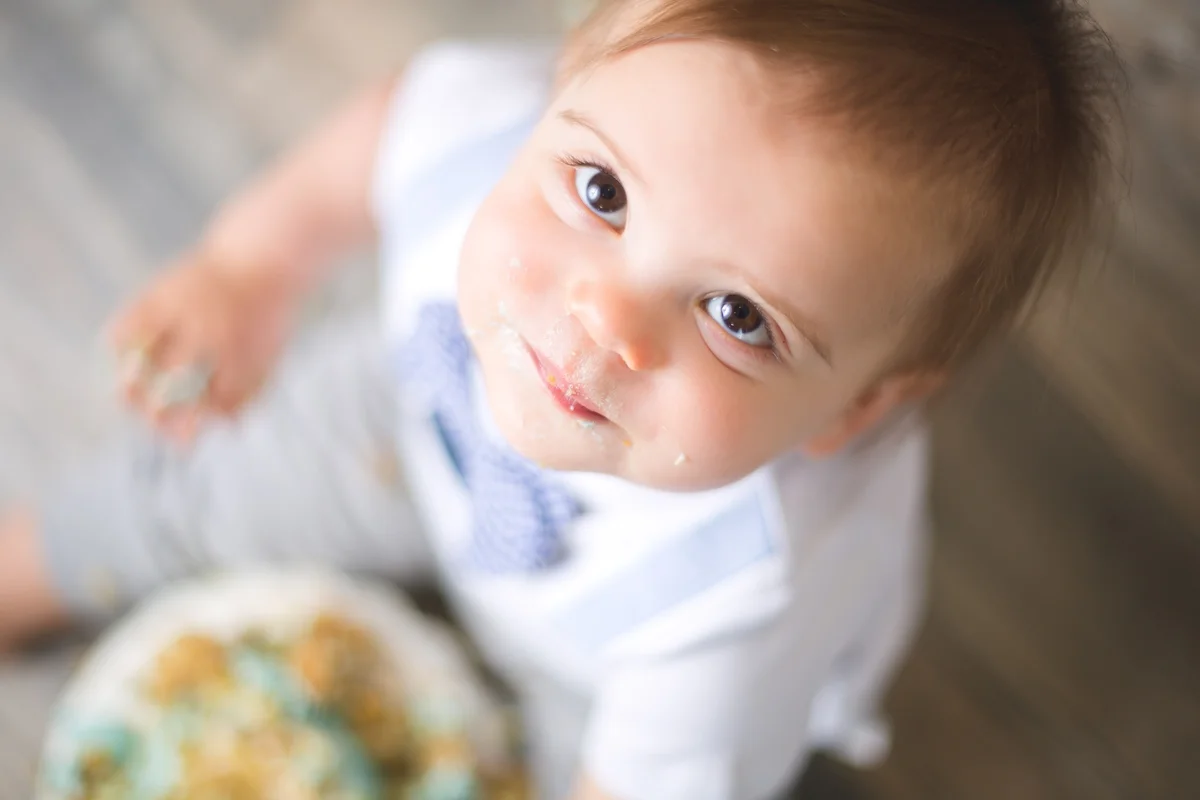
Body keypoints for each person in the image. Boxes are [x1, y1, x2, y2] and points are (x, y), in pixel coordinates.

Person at [0, 1, 1120, 797]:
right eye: (602, 193)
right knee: (209, 481)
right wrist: (250, 266)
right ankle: (38, 566)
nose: (607, 323)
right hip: (418, 400)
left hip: (600, 657)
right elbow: (391, 124)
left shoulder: (735, 615)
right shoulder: (490, 126)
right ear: (563, 80)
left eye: (739, 317)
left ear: (855, 408)